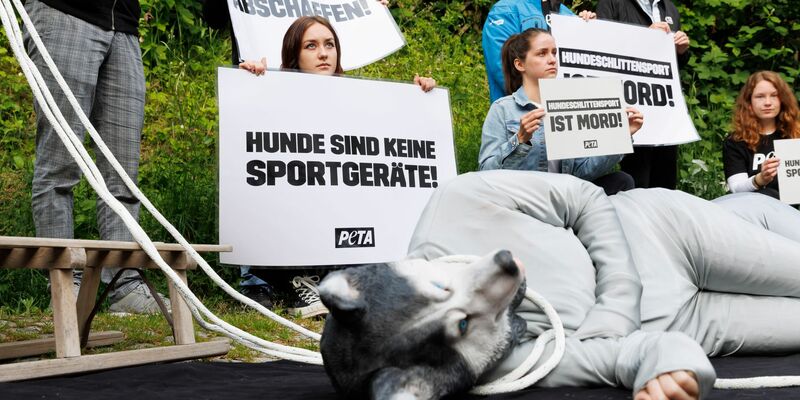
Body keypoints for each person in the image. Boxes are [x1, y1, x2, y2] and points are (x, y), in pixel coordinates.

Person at [406, 170, 800, 399]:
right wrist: (670, 369)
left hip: (667, 235)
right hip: (688, 323)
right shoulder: (465, 361)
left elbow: (585, 197)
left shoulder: (455, 200)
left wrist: (616, 307)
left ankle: (751, 212)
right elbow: (616, 359)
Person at [238, 16, 436, 318]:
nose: (323, 53)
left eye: (329, 44)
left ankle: (333, 280)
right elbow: (249, 151)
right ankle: (272, 282)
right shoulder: (273, 94)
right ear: (295, 55)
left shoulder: (361, 100)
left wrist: (418, 100)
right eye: (311, 45)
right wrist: (252, 85)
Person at [23, 0, 169, 314]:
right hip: (62, 12)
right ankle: (64, 288)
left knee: (123, 175)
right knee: (60, 167)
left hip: (124, 27)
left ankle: (123, 285)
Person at [479, 29, 640, 195]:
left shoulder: (568, 104)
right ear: (520, 64)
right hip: (527, 199)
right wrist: (519, 140)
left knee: (622, 180)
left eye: (554, 53)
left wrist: (621, 135)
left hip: (566, 197)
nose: (552, 60)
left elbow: (582, 172)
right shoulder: (503, 109)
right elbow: (486, 172)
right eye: (542, 54)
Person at [596, 0, 690, 190]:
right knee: (637, 181)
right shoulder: (611, 3)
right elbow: (600, 50)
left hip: (663, 106)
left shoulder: (669, 7)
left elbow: (672, 65)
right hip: (631, 103)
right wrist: (643, 37)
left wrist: (681, 51)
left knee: (665, 182)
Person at [482, 0, 596, 103]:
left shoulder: (567, 15)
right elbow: (503, 67)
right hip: (519, 116)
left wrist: (589, 28)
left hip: (563, 116)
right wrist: (544, 103)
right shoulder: (506, 9)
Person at [723, 70, 800, 201]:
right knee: (768, 194)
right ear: (749, 102)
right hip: (753, 211)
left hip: (792, 211)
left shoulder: (795, 134)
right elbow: (735, 189)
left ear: (783, 100)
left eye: (774, 95)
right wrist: (760, 179)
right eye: (760, 96)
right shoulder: (735, 141)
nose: (768, 102)